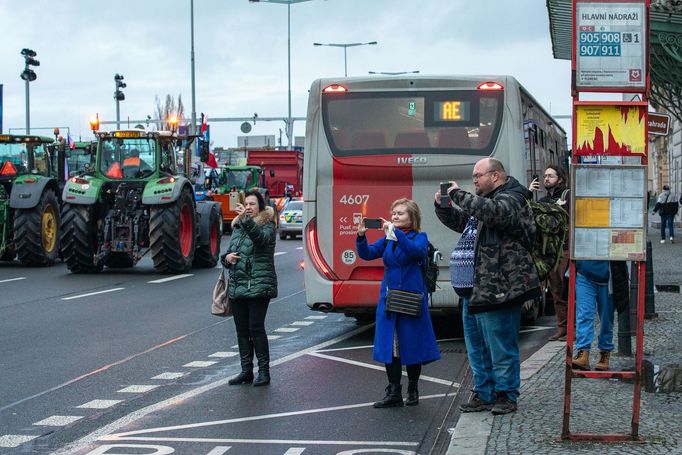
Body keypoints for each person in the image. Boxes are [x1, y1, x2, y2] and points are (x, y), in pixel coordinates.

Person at [435, 157, 540, 415]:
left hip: (499, 288)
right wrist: (444, 208)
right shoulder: (487, 204)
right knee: (477, 348)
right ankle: (484, 393)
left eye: (478, 176)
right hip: (474, 290)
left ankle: (506, 395)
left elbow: (494, 214)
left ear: (495, 176)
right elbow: (465, 225)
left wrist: (457, 193)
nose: (474, 180)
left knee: (501, 345)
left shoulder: (512, 199)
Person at [356, 198, 440, 408]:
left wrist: (396, 233)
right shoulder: (389, 238)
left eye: (400, 213)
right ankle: (394, 391)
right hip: (389, 300)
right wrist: (360, 235)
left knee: (412, 347)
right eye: (393, 213)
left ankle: (413, 389)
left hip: (411, 300)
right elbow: (367, 254)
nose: (394, 217)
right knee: (390, 347)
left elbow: (415, 252)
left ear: (412, 217)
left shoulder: (419, 237)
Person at [222, 190, 277, 386]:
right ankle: (246, 371)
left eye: (253, 204)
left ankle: (264, 372)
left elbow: (260, 240)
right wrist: (227, 259)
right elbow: (227, 254)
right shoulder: (238, 226)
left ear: (261, 207)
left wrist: (245, 220)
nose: (248, 207)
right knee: (242, 331)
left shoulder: (268, 225)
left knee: (256, 328)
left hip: (258, 285)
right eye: (246, 204)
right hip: (238, 285)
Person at [529, 165, 570, 341]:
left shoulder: (567, 195)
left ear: (559, 179)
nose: (546, 178)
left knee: (567, 290)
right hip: (550, 252)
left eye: (550, 176)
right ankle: (563, 328)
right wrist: (529, 193)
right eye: (545, 176)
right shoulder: (543, 199)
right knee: (555, 292)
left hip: (565, 249)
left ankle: (572, 328)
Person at [572, 260, 614, 371]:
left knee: (607, 318)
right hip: (585, 272)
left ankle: (605, 351)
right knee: (584, 314)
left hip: (608, 275)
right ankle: (583, 352)